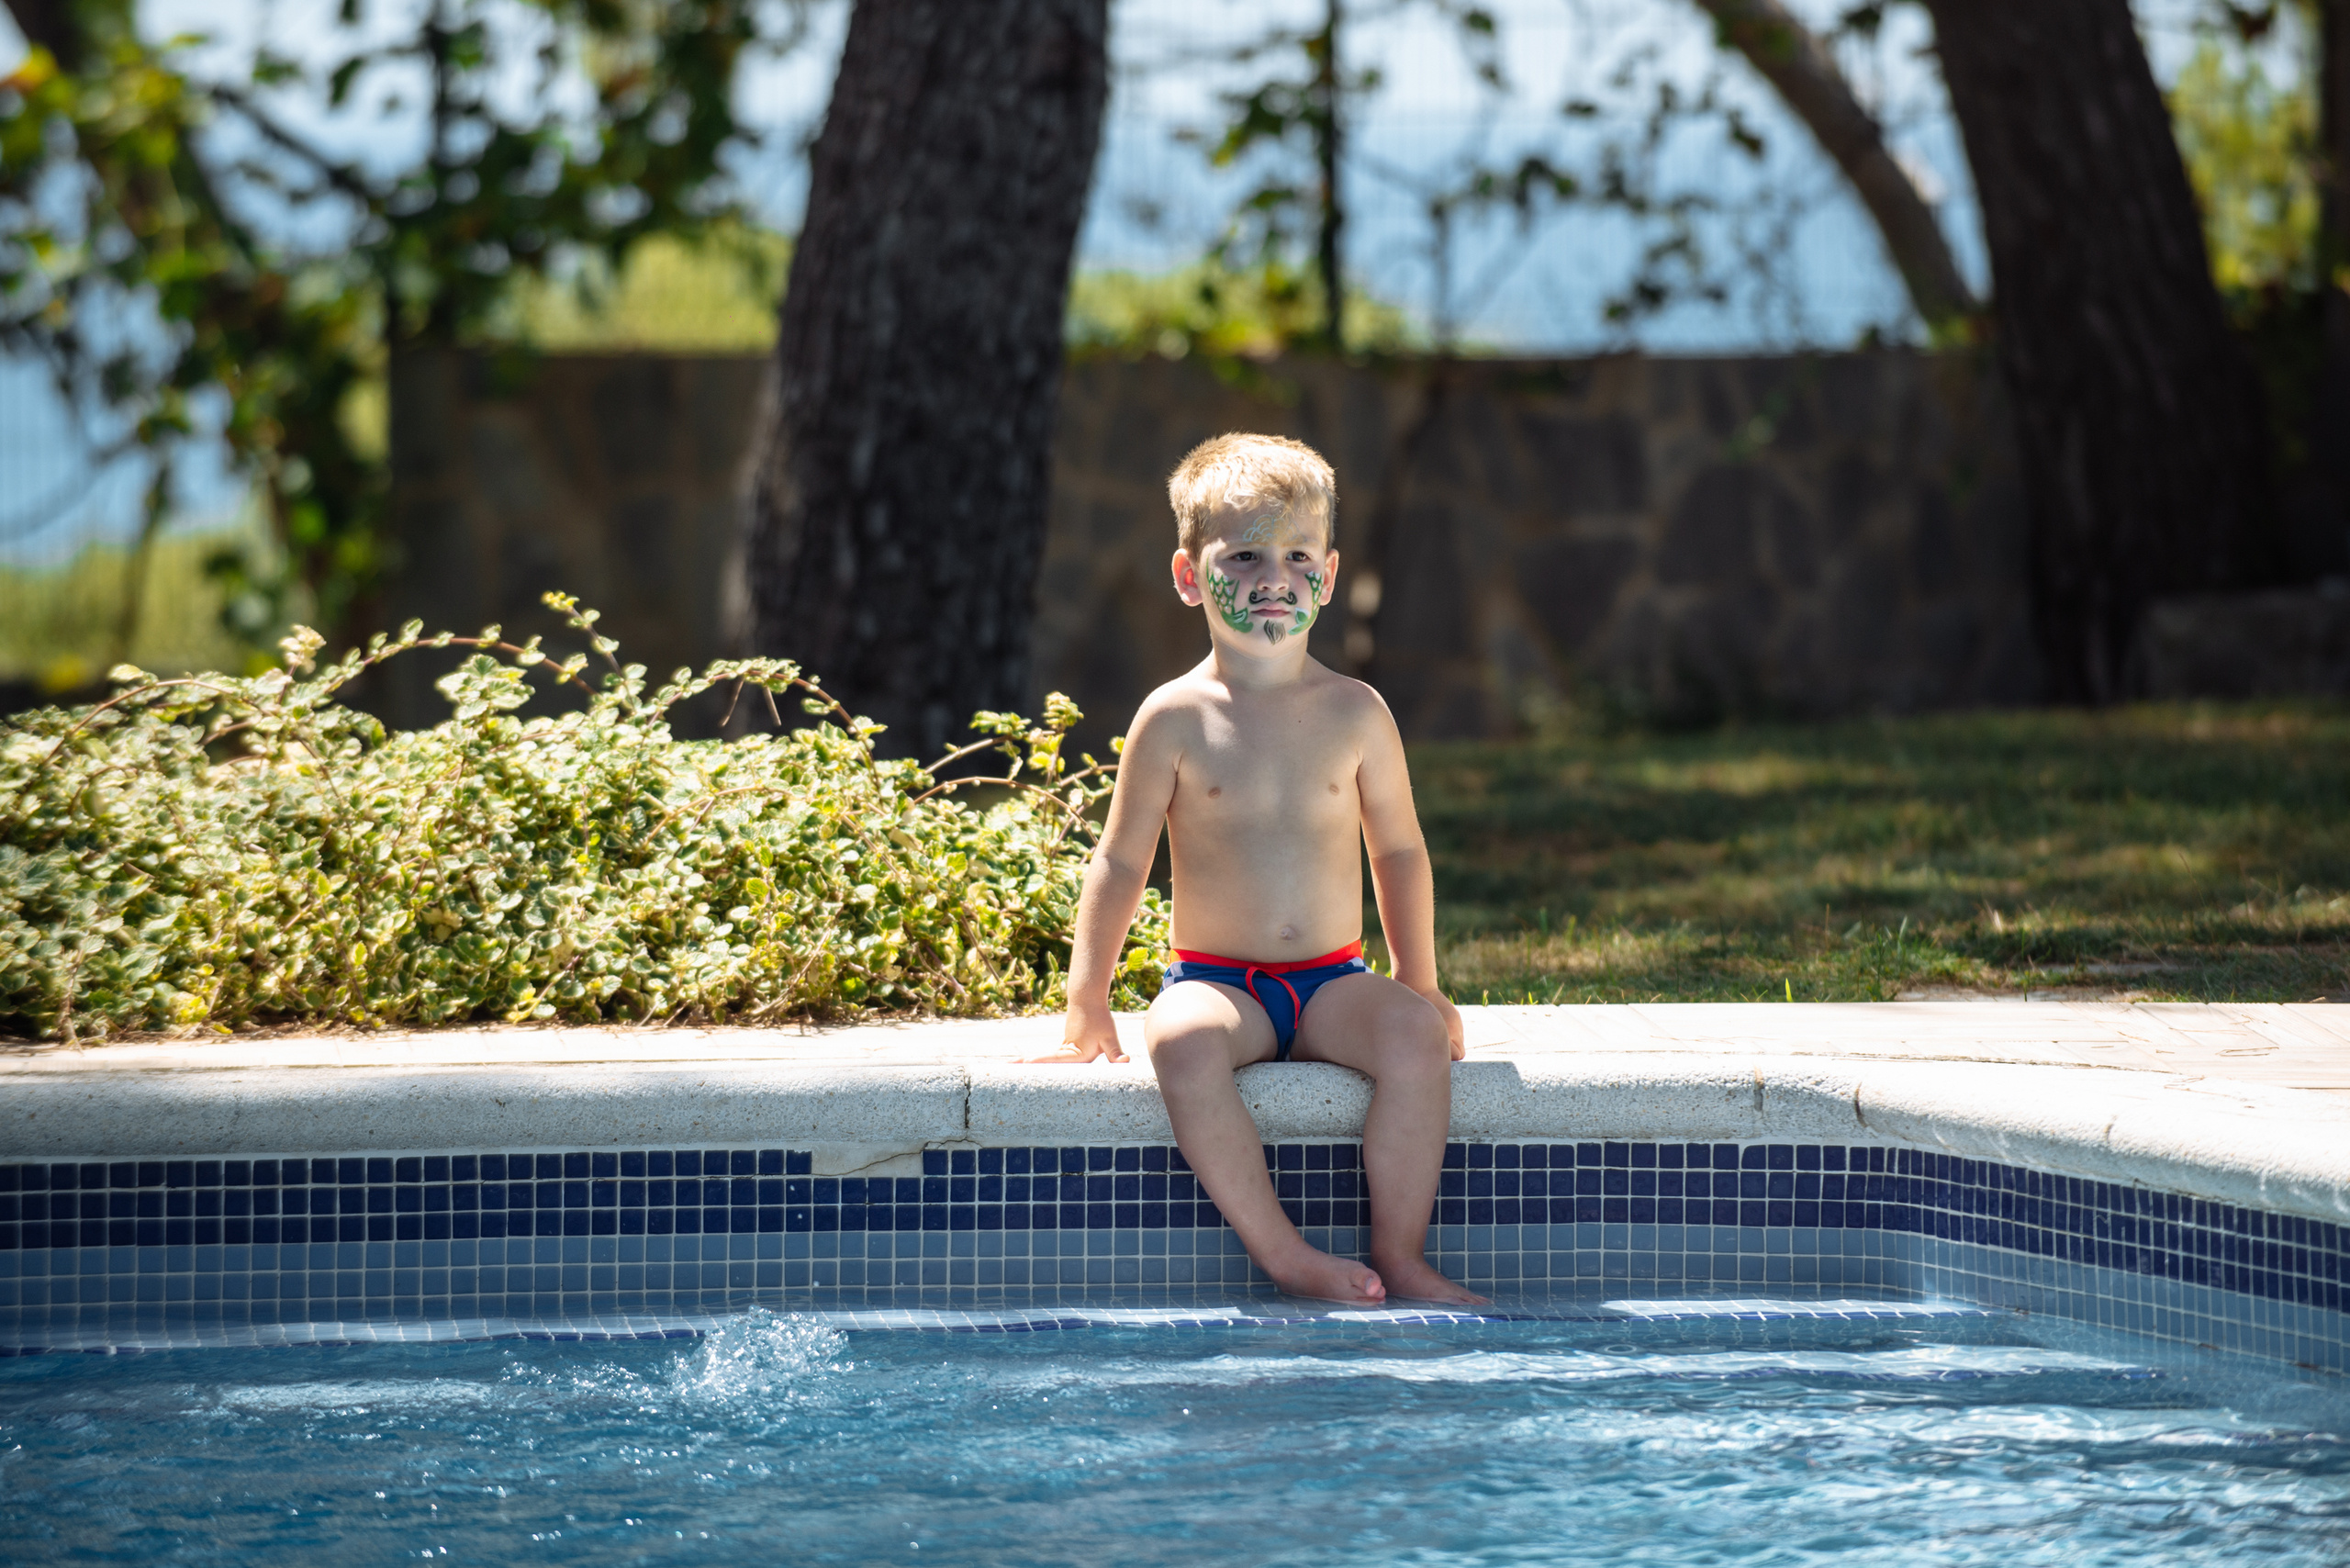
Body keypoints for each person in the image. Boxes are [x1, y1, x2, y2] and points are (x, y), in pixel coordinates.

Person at [1032, 431, 1483, 1306]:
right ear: (1189, 576)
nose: (1272, 576)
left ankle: (1401, 1255)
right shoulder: (1173, 719)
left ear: (1330, 570)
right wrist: (1087, 1001)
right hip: (1221, 984)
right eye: (1243, 556)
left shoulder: (1356, 713)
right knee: (1181, 1039)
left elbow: (1397, 849)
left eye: (1296, 554)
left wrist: (1418, 980)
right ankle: (1285, 1254)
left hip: (1331, 981)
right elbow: (1121, 861)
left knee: (1413, 1040)